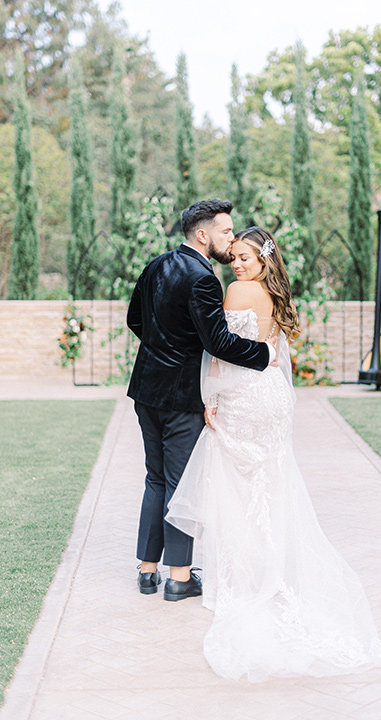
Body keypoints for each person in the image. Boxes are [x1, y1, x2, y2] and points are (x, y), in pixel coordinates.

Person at [166, 226, 381, 682]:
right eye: (235, 259)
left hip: (245, 397)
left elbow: (221, 353)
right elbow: (275, 353)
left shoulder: (237, 291)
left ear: (263, 257)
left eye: (245, 256)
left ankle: (244, 577)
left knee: (234, 485)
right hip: (273, 398)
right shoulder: (275, 292)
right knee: (270, 482)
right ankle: (274, 567)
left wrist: (210, 396)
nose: (238, 264)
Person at [126, 200, 276, 601]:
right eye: (227, 232)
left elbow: (134, 320)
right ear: (203, 234)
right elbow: (218, 342)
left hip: (145, 391)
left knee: (155, 478)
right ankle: (178, 577)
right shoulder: (204, 278)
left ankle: (146, 571)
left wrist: (161, 351)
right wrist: (264, 355)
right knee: (178, 482)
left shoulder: (156, 265)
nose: (232, 238)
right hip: (180, 398)